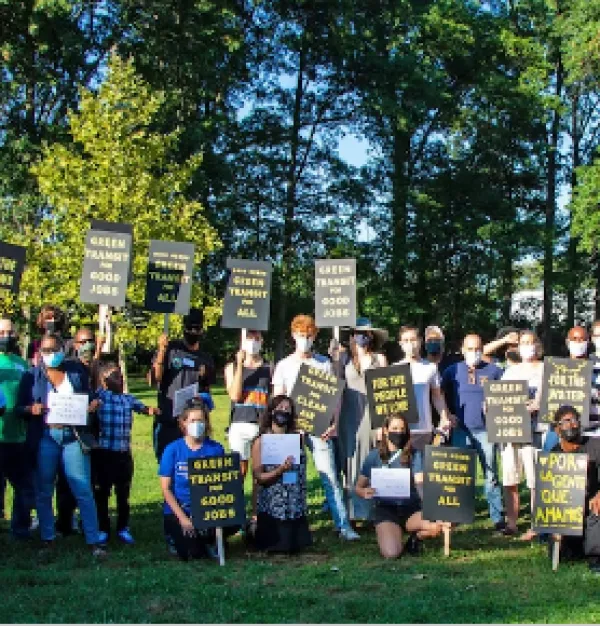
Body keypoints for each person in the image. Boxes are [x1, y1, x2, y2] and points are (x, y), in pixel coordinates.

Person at [16, 333, 105, 556]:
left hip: (73, 436)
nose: (50, 355)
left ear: (62, 350)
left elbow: (90, 395)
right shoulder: (31, 376)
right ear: (39, 353)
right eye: (45, 351)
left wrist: (93, 403)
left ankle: (93, 540)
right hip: (46, 436)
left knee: (83, 488)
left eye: (54, 349)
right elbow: (19, 408)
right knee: (44, 490)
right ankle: (48, 538)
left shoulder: (76, 371)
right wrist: (31, 409)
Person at [272, 314, 359, 541]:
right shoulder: (283, 366)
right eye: (301, 335)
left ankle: (343, 525)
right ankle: (291, 525)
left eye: (309, 335)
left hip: (320, 428)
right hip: (292, 431)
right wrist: (284, 427)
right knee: (290, 478)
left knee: (330, 477)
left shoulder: (324, 363)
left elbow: (335, 396)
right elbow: (277, 400)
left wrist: (335, 424)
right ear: (293, 335)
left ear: (315, 336)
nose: (305, 339)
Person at [355, 414, 444, 559]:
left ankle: (417, 537)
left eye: (402, 429)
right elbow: (358, 487)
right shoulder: (373, 456)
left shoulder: (414, 455)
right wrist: (364, 492)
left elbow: (420, 484)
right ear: (385, 430)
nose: (398, 432)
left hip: (411, 508)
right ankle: (393, 534)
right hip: (385, 510)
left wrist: (431, 509)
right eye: (394, 428)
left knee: (437, 525)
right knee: (391, 553)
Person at [441, 333, 505, 531]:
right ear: (462, 350)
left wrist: (494, 405)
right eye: (470, 348)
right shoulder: (452, 371)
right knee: (460, 475)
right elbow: (439, 393)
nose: (474, 352)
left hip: (486, 430)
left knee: (491, 474)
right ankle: (458, 514)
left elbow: (506, 396)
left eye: (477, 348)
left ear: (482, 348)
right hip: (461, 429)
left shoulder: (495, 371)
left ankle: (497, 516)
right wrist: (447, 413)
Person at [93, 361, 160, 545]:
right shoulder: (100, 398)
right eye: (115, 376)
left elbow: (144, 408)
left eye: (121, 376)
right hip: (104, 454)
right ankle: (102, 529)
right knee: (102, 494)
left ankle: (123, 528)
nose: (120, 379)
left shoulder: (127, 399)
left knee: (123, 495)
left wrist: (154, 411)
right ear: (104, 380)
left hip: (124, 454)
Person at [158, 397, 230, 560]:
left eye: (201, 420)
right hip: (180, 509)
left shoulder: (216, 449)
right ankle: (179, 538)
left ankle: (211, 539)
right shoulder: (172, 450)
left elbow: (223, 483)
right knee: (191, 553)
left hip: (207, 509)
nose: (197, 424)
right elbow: (166, 489)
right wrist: (183, 518)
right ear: (183, 423)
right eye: (193, 420)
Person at [393, 326, 452, 495]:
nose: (410, 344)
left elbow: (437, 396)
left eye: (413, 340)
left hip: (424, 429)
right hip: (401, 430)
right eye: (406, 341)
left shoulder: (430, 367)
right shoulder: (394, 368)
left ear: (419, 342)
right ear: (400, 344)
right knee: (402, 472)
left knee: (422, 475)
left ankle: (424, 510)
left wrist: (444, 417)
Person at [338, 320, 388, 521]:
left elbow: (384, 391)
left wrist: (381, 422)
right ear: (352, 336)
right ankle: (350, 511)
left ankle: (370, 511)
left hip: (372, 413)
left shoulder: (379, 359)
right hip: (349, 415)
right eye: (358, 333)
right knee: (349, 460)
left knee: (370, 458)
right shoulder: (344, 359)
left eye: (366, 333)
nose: (362, 337)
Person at [251, 395, 312, 553]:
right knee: (280, 548)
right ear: (271, 411)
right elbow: (258, 477)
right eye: (280, 408)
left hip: (294, 505)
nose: (283, 412)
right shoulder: (261, 441)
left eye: (287, 409)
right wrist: (279, 471)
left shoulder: (298, 439)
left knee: (298, 546)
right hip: (273, 505)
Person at [152, 308, 215, 461]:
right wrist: (161, 351)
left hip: (192, 425)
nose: (193, 331)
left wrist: (203, 382)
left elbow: (208, 394)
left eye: (197, 328)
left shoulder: (206, 359)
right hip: (168, 421)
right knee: (168, 470)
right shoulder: (171, 349)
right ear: (184, 327)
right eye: (190, 327)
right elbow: (156, 378)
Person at [500, 330, 544, 539]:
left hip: (536, 430)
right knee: (510, 477)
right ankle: (511, 523)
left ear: (538, 345)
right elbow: (499, 397)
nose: (528, 346)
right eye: (523, 343)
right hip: (510, 431)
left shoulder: (546, 369)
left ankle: (535, 524)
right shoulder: (511, 371)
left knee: (535, 479)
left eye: (531, 342)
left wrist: (538, 404)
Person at [547, 405, 600, 574]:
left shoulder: (595, 446)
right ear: (557, 429)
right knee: (566, 555)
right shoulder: (553, 454)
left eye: (575, 420)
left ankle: (595, 558)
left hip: (593, 504)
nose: (572, 424)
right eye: (566, 421)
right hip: (569, 509)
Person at [0, 318, 34, 539]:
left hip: (19, 436)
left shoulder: (23, 364)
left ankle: (20, 530)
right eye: (2, 332)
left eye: (10, 332)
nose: (6, 336)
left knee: (25, 488)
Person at [543, 325, 590, 452]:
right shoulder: (555, 368)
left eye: (582, 339)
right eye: (574, 339)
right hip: (560, 429)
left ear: (588, 342)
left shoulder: (596, 368)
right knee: (549, 461)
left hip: (589, 429)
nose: (578, 342)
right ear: (567, 342)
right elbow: (544, 397)